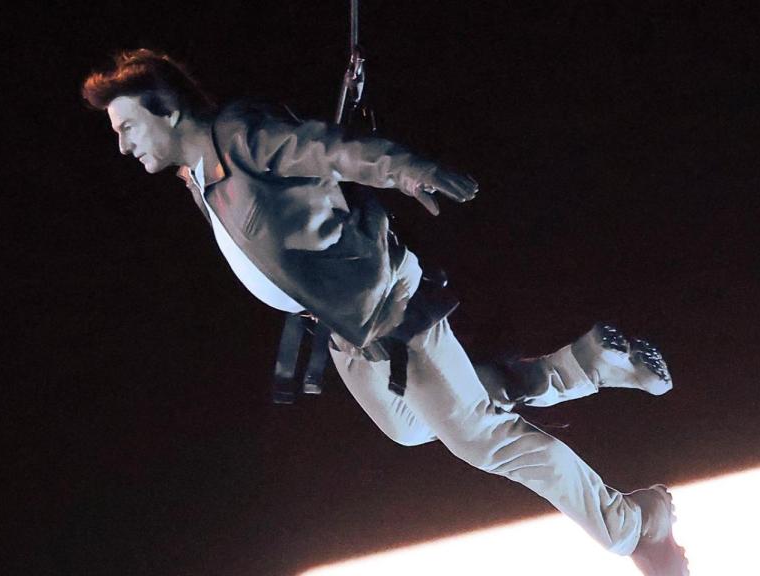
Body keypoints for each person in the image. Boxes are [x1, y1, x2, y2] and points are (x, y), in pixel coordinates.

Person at [82, 48, 688, 575]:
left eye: (126, 125)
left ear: (165, 108)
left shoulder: (239, 134)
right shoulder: (198, 175)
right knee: (411, 426)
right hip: (348, 332)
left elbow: (326, 149)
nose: (123, 144)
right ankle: (587, 362)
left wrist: (405, 168)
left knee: (483, 437)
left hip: (390, 307)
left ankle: (638, 524)